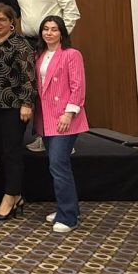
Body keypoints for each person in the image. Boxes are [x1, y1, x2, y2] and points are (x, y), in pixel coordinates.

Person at [16, 0, 79, 152]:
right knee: (37, 91)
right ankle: (43, 136)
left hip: (54, 43)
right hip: (29, 43)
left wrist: (58, 36)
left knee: (58, 90)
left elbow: (72, 11)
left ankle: (64, 139)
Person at [0, 3, 36, 220]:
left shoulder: (20, 44)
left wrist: (27, 103)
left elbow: (28, 76)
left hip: (14, 106)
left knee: (12, 152)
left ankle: (10, 196)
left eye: (2, 20)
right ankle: (17, 194)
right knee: (2, 151)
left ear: (11, 22)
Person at [35, 15, 89, 233]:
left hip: (65, 118)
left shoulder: (71, 54)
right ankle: (68, 208)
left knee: (58, 164)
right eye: (46, 29)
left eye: (54, 29)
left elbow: (78, 86)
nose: (49, 33)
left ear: (62, 33)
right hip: (47, 118)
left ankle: (68, 217)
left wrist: (69, 113)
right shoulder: (40, 55)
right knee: (56, 165)